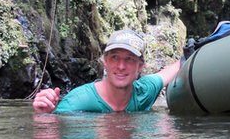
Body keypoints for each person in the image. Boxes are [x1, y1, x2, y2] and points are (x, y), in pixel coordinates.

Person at [33, 29, 181, 113]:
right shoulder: (77, 102)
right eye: (115, 57)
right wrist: (43, 115)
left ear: (140, 66)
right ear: (105, 62)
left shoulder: (145, 91)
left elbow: (170, 71)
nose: (121, 66)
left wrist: (192, 54)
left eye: (129, 59)